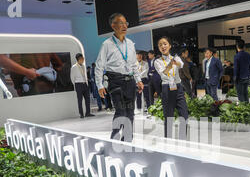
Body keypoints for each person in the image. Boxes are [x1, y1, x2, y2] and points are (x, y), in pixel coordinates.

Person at [95, 13, 144, 142]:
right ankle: (114, 141)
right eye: (120, 23)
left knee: (130, 113)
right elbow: (99, 66)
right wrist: (100, 85)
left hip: (130, 82)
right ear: (113, 25)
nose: (124, 26)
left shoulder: (130, 44)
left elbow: (134, 64)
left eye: (125, 23)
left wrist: (138, 80)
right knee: (121, 112)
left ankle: (127, 140)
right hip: (115, 82)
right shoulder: (107, 44)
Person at [154, 36, 188, 139]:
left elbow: (181, 65)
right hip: (167, 89)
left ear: (169, 46)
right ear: (159, 48)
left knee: (184, 115)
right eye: (160, 45)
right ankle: (168, 141)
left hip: (178, 88)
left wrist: (174, 61)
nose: (163, 46)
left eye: (165, 44)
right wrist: (170, 64)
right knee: (169, 117)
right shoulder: (157, 61)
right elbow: (163, 73)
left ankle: (183, 139)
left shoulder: (176, 58)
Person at [71, 53, 94, 118]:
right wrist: (76, 85)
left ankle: (88, 113)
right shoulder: (74, 67)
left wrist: (86, 83)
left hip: (85, 84)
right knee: (80, 100)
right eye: (82, 58)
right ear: (79, 59)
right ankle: (81, 114)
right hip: (78, 85)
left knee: (87, 99)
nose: (83, 59)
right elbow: (72, 78)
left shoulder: (83, 66)